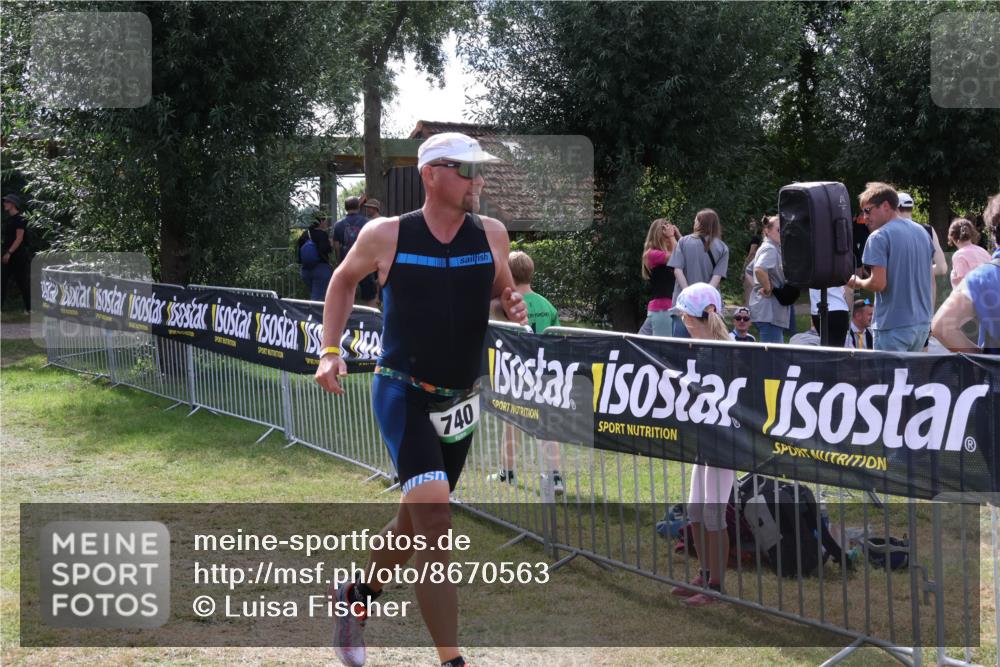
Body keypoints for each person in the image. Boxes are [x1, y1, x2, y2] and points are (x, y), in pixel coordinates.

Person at [315, 132, 527, 667]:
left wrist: (511, 305)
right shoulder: (388, 234)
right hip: (403, 390)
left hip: (460, 399)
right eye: (465, 170)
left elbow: (501, 293)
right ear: (430, 173)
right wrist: (329, 350)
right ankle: (452, 661)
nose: (477, 181)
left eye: (479, 171)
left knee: (414, 522)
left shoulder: (493, 234)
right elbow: (341, 283)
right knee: (435, 521)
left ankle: (355, 596)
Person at [668, 282, 734, 607]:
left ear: (694, 317)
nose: (682, 321)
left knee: (713, 515)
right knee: (694, 511)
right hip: (704, 442)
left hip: (725, 445)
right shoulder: (697, 349)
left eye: (683, 315)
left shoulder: (731, 349)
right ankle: (704, 574)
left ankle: (717, 587)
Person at [488, 250, 564, 493]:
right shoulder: (547, 305)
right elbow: (557, 337)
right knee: (547, 426)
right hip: (544, 372)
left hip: (516, 374)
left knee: (511, 422)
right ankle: (555, 477)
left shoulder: (505, 306)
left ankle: (507, 473)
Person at [848, 182, 933, 352]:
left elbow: (879, 284)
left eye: (867, 210)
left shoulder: (878, 236)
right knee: (909, 378)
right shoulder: (922, 231)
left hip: (893, 327)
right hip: (922, 325)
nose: (864, 218)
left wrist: (855, 281)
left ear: (886, 206)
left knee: (886, 378)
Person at [932, 193, 1000, 354]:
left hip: (974, 311)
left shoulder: (970, 265)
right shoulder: (982, 251)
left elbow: (941, 326)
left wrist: (983, 360)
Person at [667, 209, 729, 338]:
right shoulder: (722, 248)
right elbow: (716, 278)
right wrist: (703, 300)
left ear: (699, 223)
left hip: (683, 307)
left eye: (695, 219)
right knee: (708, 349)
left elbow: (678, 270)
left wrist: (689, 296)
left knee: (680, 350)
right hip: (709, 308)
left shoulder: (683, 242)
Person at [749, 215, 792, 343]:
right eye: (779, 230)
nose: (783, 232)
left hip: (770, 311)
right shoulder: (770, 248)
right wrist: (768, 288)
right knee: (771, 358)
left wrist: (758, 286)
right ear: (767, 231)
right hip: (769, 312)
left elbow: (749, 270)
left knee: (775, 356)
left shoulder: (772, 247)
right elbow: (758, 269)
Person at [334, 196, 379, 307]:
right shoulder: (367, 223)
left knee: (347, 296)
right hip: (365, 265)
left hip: (347, 264)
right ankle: (371, 320)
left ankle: (349, 321)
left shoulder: (338, 225)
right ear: (358, 207)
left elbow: (336, 246)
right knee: (370, 296)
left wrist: (339, 262)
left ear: (345, 208)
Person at [640, 218, 681, 335]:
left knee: (641, 342)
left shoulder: (665, 254)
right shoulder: (652, 254)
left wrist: (677, 235)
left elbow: (685, 255)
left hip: (665, 309)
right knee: (664, 349)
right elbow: (677, 256)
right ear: (660, 235)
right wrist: (672, 237)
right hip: (663, 309)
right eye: (667, 234)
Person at [2, 194, 32, 313]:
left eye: (6, 202)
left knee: (22, 282)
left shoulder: (21, 219)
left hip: (18, 256)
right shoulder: (9, 219)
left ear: (13, 204)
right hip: (7, 255)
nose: (4, 204)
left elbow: (19, 239)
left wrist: (9, 253)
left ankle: (29, 309)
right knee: (2, 281)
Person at [297, 209, 334, 301]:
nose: (326, 223)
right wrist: (331, 244)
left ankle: (316, 314)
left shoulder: (304, 234)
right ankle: (314, 315)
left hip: (305, 270)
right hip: (320, 270)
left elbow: (299, 252)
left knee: (316, 293)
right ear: (320, 221)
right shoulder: (322, 234)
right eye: (325, 220)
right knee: (317, 299)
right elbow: (325, 249)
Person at [948, 217, 991, 288]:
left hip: (974, 296)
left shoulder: (959, 255)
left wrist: (953, 278)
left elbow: (963, 285)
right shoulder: (983, 251)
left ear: (952, 237)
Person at [742, 217, 763, 306]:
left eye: (753, 222)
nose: (751, 224)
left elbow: (751, 253)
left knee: (748, 289)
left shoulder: (755, 238)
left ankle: (747, 310)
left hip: (751, 265)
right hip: (755, 264)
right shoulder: (757, 238)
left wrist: (744, 266)